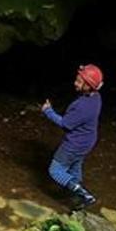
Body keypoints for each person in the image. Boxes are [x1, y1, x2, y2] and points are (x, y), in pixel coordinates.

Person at [41, 63, 104, 209]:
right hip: (88, 140)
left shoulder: (83, 106)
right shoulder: (96, 98)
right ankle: (74, 196)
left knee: (55, 170)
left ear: (88, 86)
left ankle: (84, 194)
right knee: (75, 165)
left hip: (75, 143)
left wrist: (48, 111)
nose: (75, 83)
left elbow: (66, 124)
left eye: (79, 82)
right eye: (77, 79)